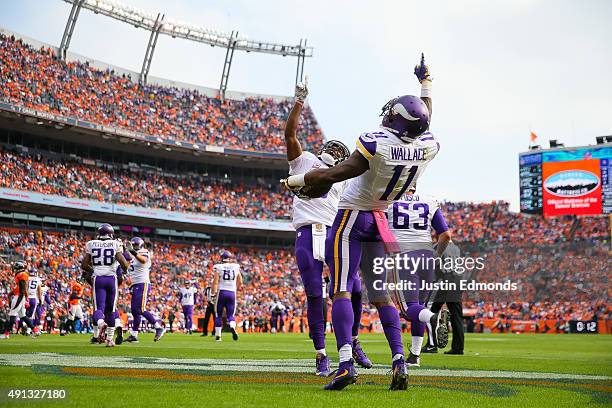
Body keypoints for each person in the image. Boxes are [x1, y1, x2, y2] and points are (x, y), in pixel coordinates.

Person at [282, 54, 444, 391]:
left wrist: (298, 182)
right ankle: (400, 361)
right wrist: (425, 83)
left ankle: (344, 363)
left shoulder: (376, 144)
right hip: (380, 219)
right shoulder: (427, 146)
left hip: (352, 217)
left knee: (341, 290)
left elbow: (340, 172)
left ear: (396, 121)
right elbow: (426, 117)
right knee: (382, 297)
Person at [284, 77, 371, 377]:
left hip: (335, 233)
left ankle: (354, 340)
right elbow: (290, 134)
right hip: (308, 232)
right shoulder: (305, 160)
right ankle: (321, 354)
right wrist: (299, 102)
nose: (334, 151)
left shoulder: (344, 176)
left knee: (353, 289)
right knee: (314, 296)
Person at [387, 189, 452, 368]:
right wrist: (436, 255)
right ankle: (415, 356)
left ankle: (434, 319)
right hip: (427, 257)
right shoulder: (429, 199)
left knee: (410, 309)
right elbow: (446, 235)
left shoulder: (389, 198)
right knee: (419, 308)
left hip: (405, 256)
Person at [81, 223, 130, 347]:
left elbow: (84, 265)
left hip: (98, 279)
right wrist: (124, 271)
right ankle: (109, 339)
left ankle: (101, 323)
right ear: (111, 233)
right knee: (111, 310)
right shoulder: (115, 244)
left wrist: (94, 271)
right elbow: (123, 263)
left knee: (99, 308)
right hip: (112, 279)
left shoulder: (91, 244)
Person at [423, 241, 465, 355]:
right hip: (457, 281)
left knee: (428, 310)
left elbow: (433, 265)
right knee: (456, 316)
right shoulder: (456, 248)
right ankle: (458, 348)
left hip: (444, 280)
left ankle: (432, 344)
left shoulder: (438, 246)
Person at [124, 237, 166, 343]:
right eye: (133, 245)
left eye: (136, 245)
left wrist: (132, 251)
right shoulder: (132, 256)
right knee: (135, 311)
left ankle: (158, 327)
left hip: (143, 284)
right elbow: (123, 258)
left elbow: (143, 260)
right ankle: (134, 336)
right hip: (135, 285)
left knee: (141, 309)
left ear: (141, 245)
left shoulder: (144, 252)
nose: (134, 247)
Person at [212, 251, 242, 342]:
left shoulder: (219, 267)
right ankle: (232, 327)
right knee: (230, 315)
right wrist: (235, 289)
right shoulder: (235, 267)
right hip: (232, 292)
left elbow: (216, 281)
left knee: (218, 314)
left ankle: (218, 336)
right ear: (230, 258)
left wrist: (213, 293)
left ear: (222, 258)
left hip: (222, 292)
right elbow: (240, 281)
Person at [6, 261, 39, 338]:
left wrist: (24, 297)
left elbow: (23, 287)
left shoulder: (22, 274)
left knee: (12, 314)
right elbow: (21, 287)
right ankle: (35, 330)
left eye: (16, 266)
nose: (15, 268)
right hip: (20, 296)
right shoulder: (21, 274)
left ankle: (6, 333)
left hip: (19, 296)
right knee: (23, 316)